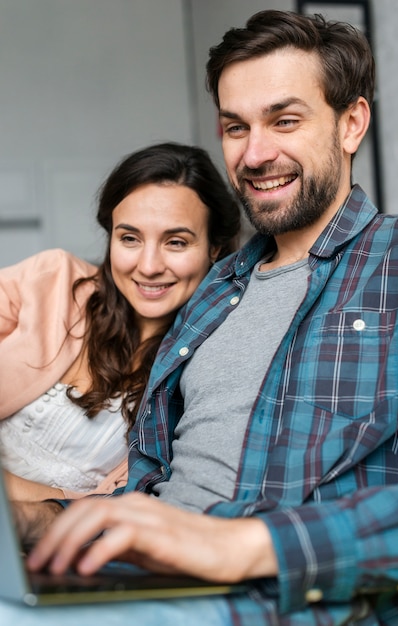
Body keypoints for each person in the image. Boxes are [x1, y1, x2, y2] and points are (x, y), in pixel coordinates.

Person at [14, 10, 398, 626]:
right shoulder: (213, 292)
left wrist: (244, 545)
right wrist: (37, 519)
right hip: (132, 577)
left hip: (274, 598)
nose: (255, 154)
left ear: (351, 123)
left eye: (284, 120)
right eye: (235, 127)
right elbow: (154, 497)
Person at [0, 141, 240, 502]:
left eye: (175, 242)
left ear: (215, 248)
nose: (148, 266)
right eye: (129, 238)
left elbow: (123, 506)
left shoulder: (204, 372)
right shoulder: (53, 279)